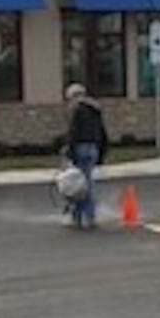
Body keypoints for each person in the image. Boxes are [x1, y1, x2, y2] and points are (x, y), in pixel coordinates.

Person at [63, 83, 109, 229]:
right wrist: (101, 153)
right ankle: (84, 216)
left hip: (80, 148)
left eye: (69, 98)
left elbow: (73, 133)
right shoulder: (95, 109)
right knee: (86, 183)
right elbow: (102, 133)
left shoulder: (77, 110)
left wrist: (69, 151)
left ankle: (83, 217)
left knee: (78, 185)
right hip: (93, 148)